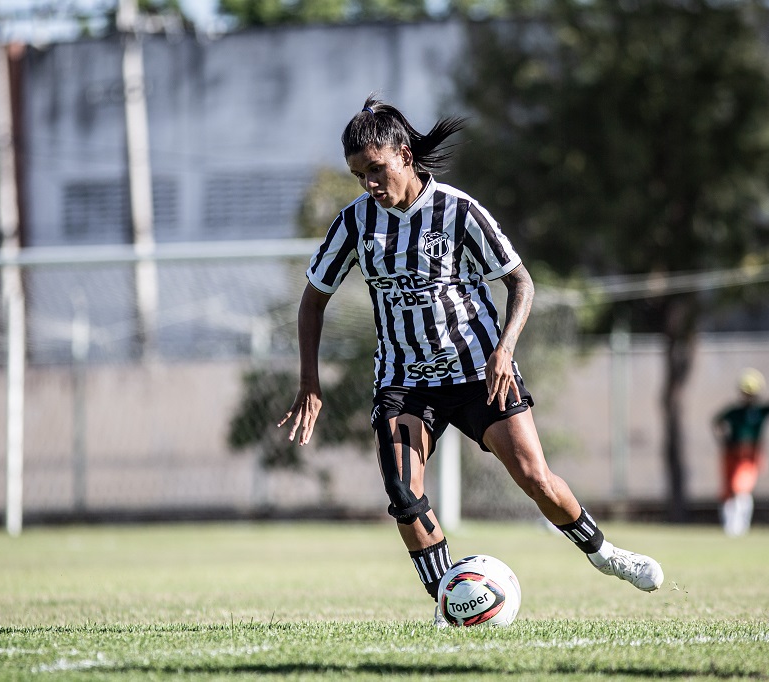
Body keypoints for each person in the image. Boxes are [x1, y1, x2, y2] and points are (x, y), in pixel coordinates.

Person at [278, 95, 663, 626]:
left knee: (534, 477)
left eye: (375, 169)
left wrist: (504, 349)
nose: (368, 183)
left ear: (405, 155)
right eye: (357, 174)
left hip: (479, 369)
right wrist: (309, 383)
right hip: (404, 379)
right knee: (401, 493)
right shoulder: (354, 223)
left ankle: (605, 555)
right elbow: (313, 298)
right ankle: (449, 602)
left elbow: (520, 283)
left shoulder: (459, 210)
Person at [712, 368, 769, 537]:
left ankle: (739, 527)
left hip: (749, 456)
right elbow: (716, 422)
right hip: (731, 453)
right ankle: (730, 527)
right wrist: (722, 439)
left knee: (740, 488)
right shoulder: (734, 411)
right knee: (728, 492)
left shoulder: (760, 412)